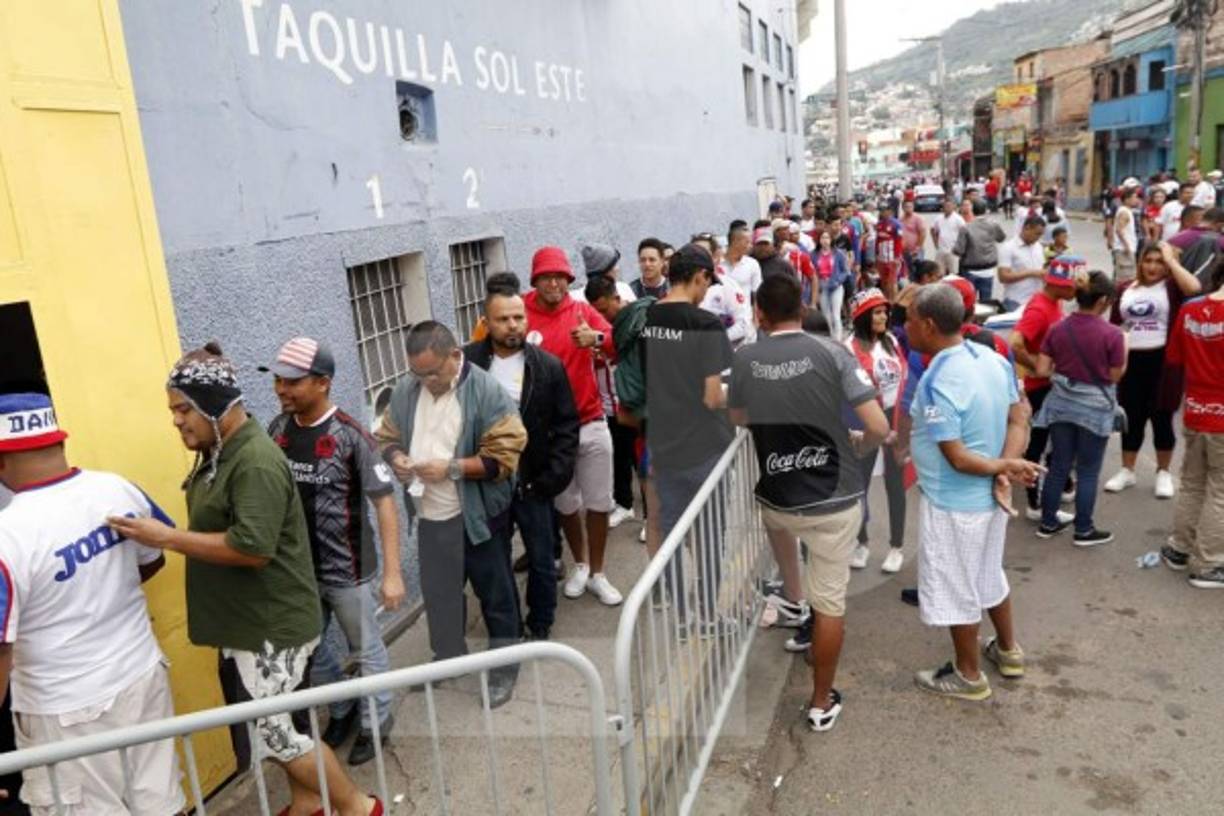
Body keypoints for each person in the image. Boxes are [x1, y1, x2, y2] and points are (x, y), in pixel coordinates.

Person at [110, 343, 382, 816]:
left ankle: (359, 806)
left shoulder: (253, 460)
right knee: (285, 727)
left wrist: (167, 538)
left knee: (277, 736)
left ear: (213, 407)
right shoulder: (223, 450)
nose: (176, 420)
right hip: (249, 626)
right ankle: (307, 804)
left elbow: (252, 549)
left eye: (182, 409)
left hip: (270, 631)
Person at [0, 394, 185, 816]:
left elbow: (1, 648)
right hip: (141, 675)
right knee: (159, 803)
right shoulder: (115, 488)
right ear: (57, 442)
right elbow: (152, 559)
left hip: (64, 710)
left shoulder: (8, 533)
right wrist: (98, 593)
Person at [729, 273, 889, 731]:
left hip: (778, 497)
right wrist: (857, 442)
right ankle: (820, 703)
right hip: (833, 500)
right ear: (802, 309)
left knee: (787, 544)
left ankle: (793, 599)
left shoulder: (745, 358)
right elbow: (877, 427)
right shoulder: (832, 352)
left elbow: (739, 417)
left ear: (759, 314)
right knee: (831, 603)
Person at [262, 337, 401, 766]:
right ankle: (340, 713)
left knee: (366, 648)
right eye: (278, 381)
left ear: (322, 383)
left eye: (292, 382)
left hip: (350, 571)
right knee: (312, 649)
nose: (282, 390)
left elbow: (384, 502)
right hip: (299, 572)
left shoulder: (352, 436)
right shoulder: (277, 430)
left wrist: (393, 572)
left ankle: (376, 723)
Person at [376, 322, 527, 708]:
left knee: (496, 596)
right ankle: (448, 658)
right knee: (440, 596)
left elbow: (504, 458)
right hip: (430, 517)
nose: (425, 381)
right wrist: (398, 460)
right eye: (418, 373)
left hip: (476, 517)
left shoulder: (487, 391)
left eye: (432, 372)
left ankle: (505, 666)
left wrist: (452, 469)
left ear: (455, 356)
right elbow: (386, 436)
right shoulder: (408, 390)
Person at [905, 286, 1040, 700]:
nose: (905, 326)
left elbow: (958, 458)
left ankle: (968, 676)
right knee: (986, 574)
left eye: (909, 319)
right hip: (989, 497)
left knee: (957, 585)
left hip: (954, 504)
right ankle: (1008, 650)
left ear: (928, 325)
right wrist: (1006, 467)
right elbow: (1020, 417)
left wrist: (1003, 467)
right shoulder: (994, 360)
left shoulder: (937, 381)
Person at [465, 288, 579, 641]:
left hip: (535, 483)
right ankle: (508, 628)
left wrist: (553, 477)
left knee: (543, 561)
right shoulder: (466, 365)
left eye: (518, 317)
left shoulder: (547, 366)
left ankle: (541, 623)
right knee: (495, 564)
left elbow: (566, 426)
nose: (512, 325)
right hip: (486, 486)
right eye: (503, 319)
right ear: (486, 323)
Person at [641, 244, 734, 629]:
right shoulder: (706, 324)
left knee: (673, 534)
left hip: (664, 444)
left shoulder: (650, 316)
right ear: (699, 276)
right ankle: (708, 614)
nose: (705, 293)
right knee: (710, 535)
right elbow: (713, 397)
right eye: (706, 284)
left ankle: (681, 616)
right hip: (705, 447)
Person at [524, 247, 623, 605]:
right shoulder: (520, 312)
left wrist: (595, 339)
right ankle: (579, 564)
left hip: (591, 419)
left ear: (569, 280)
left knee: (599, 502)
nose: (554, 283)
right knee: (566, 505)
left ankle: (598, 572)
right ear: (535, 280)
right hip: (550, 433)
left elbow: (617, 341)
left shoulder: (582, 311)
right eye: (546, 276)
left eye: (561, 277)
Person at [1030, 269, 1126, 545]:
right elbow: (1115, 375)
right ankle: (1083, 529)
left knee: (1059, 464)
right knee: (1087, 470)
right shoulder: (1113, 334)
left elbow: (1042, 368)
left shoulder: (1057, 328)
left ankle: (1048, 523)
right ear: (1103, 301)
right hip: (1095, 409)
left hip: (1060, 404)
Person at [1105, 242, 1202, 498]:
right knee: (1132, 418)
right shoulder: (1126, 288)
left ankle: (1163, 472)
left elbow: (1195, 287)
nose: (1152, 266)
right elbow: (1115, 325)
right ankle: (1127, 470)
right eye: (1148, 261)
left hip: (1163, 362)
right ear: (1140, 262)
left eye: (1159, 262)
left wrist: (1172, 261)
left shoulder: (1173, 287)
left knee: (1162, 418)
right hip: (1131, 361)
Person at [1162, 267, 1224, 587]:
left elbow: (1175, 358)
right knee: (1220, 491)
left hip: (1196, 409)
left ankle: (1180, 548)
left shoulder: (1190, 309)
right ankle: (1210, 563)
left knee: (1192, 482)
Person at [1010, 255, 1079, 521]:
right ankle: (1035, 502)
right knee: (1040, 441)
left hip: (1048, 384)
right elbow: (1016, 343)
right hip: (1039, 387)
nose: (1075, 290)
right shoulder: (1039, 309)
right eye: (1072, 284)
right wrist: (1039, 366)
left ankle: (1058, 485)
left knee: (1053, 438)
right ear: (1059, 284)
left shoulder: (1053, 302)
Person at [844, 289, 908, 573]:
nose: (883, 317)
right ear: (862, 316)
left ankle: (896, 547)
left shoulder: (892, 341)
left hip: (893, 419)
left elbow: (905, 380)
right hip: (864, 420)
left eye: (885, 311)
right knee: (859, 485)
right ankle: (862, 542)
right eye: (877, 312)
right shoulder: (848, 348)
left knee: (896, 483)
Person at [578, 244, 639, 529]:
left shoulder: (631, 312)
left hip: (631, 398)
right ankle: (625, 503)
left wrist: (601, 342)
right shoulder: (588, 309)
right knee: (620, 457)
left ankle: (652, 516)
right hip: (607, 401)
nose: (602, 316)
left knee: (640, 458)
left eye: (604, 310)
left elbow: (623, 344)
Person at [694, 233, 754, 349]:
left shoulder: (727, 286)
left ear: (714, 257)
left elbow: (743, 325)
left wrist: (714, 340)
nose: (698, 258)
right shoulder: (681, 287)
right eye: (694, 253)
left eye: (704, 253)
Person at [953, 210, 1006, 305]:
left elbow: (959, 250)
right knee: (986, 303)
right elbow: (1001, 238)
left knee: (969, 302)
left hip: (970, 270)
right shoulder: (993, 225)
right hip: (988, 270)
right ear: (986, 211)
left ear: (972, 211)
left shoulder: (966, 228)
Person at [997, 217, 1048, 312]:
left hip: (1036, 302)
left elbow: (1042, 269)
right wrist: (1031, 273)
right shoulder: (1008, 247)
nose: (1038, 238)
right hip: (1015, 302)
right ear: (1027, 228)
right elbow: (1003, 277)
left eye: (1041, 235)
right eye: (1037, 234)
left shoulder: (1038, 246)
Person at [814, 229, 853, 338]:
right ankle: (830, 337)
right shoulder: (814, 254)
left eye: (827, 238)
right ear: (819, 240)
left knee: (836, 315)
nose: (825, 241)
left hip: (836, 285)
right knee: (826, 315)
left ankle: (838, 339)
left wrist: (837, 281)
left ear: (831, 240)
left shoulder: (838, 253)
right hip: (822, 285)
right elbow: (813, 272)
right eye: (823, 238)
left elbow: (845, 271)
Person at [873, 203, 905, 301]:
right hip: (881, 258)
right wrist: (876, 254)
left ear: (890, 211)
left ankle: (894, 302)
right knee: (883, 281)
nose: (882, 213)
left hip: (892, 258)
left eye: (884, 210)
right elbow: (877, 240)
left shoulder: (896, 224)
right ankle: (885, 300)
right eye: (881, 211)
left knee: (892, 282)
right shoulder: (879, 224)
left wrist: (897, 256)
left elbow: (900, 241)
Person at [721, 224, 762, 299]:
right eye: (747, 242)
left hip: (743, 310)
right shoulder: (717, 263)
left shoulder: (752, 264)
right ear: (735, 241)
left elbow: (757, 293)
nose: (750, 246)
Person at [1111, 186, 1140, 282]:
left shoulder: (1126, 211)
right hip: (1124, 250)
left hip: (1126, 248)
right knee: (1126, 277)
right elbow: (1119, 230)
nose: (1137, 200)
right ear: (1127, 199)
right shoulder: (1124, 212)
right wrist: (1126, 245)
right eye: (1134, 197)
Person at [932, 197, 965, 277]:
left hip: (953, 251)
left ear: (954, 207)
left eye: (950, 206)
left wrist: (960, 247)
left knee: (953, 274)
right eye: (945, 206)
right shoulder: (938, 218)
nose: (947, 208)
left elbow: (964, 233)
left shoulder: (958, 219)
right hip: (941, 251)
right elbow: (933, 230)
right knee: (939, 274)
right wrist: (936, 243)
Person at [899, 199, 928, 276]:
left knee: (918, 270)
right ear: (903, 208)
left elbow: (923, 233)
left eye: (910, 206)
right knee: (908, 271)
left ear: (913, 207)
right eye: (906, 207)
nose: (908, 209)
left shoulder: (917, 218)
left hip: (916, 250)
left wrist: (918, 247)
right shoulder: (901, 219)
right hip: (905, 250)